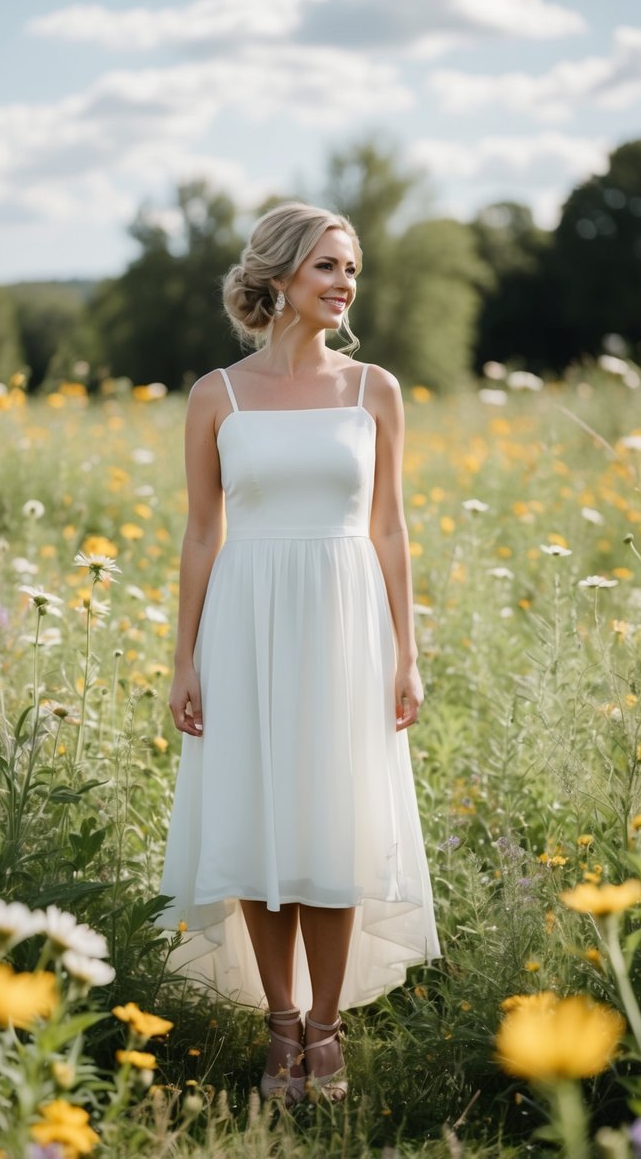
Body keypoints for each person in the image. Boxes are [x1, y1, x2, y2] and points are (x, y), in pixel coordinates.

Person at [158, 201, 440, 1105]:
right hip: (243, 623)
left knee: (334, 820)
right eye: (326, 266)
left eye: (350, 268)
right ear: (278, 275)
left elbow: (390, 529)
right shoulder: (218, 394)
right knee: (257, 817)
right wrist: (183, 659)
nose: (344, 283)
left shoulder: (374, 390)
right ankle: (279, 1024)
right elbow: (202, 534)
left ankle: (327, 1026)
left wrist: (407, 652)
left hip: (345, 623)